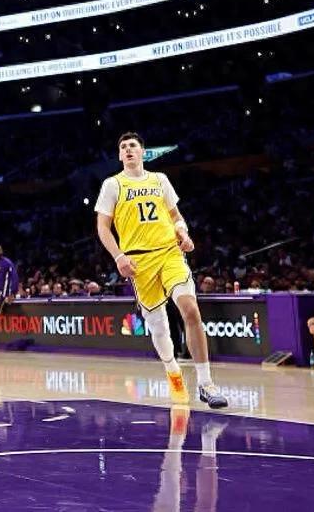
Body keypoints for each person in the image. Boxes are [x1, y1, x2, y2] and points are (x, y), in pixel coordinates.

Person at [94, 132, 228, 408]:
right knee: (159, 327)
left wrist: (183, 233)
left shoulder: (160, 180)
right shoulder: (112, 184)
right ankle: (173, 372)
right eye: (123, 147)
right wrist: (118, 256)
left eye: (133, 145)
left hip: (169, 253)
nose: (128, 149)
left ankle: (206, 384)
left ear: (143, 152)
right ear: (119, 156)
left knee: (190, 309)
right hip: (138, 261)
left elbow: (176, 216)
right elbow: (103, 227)